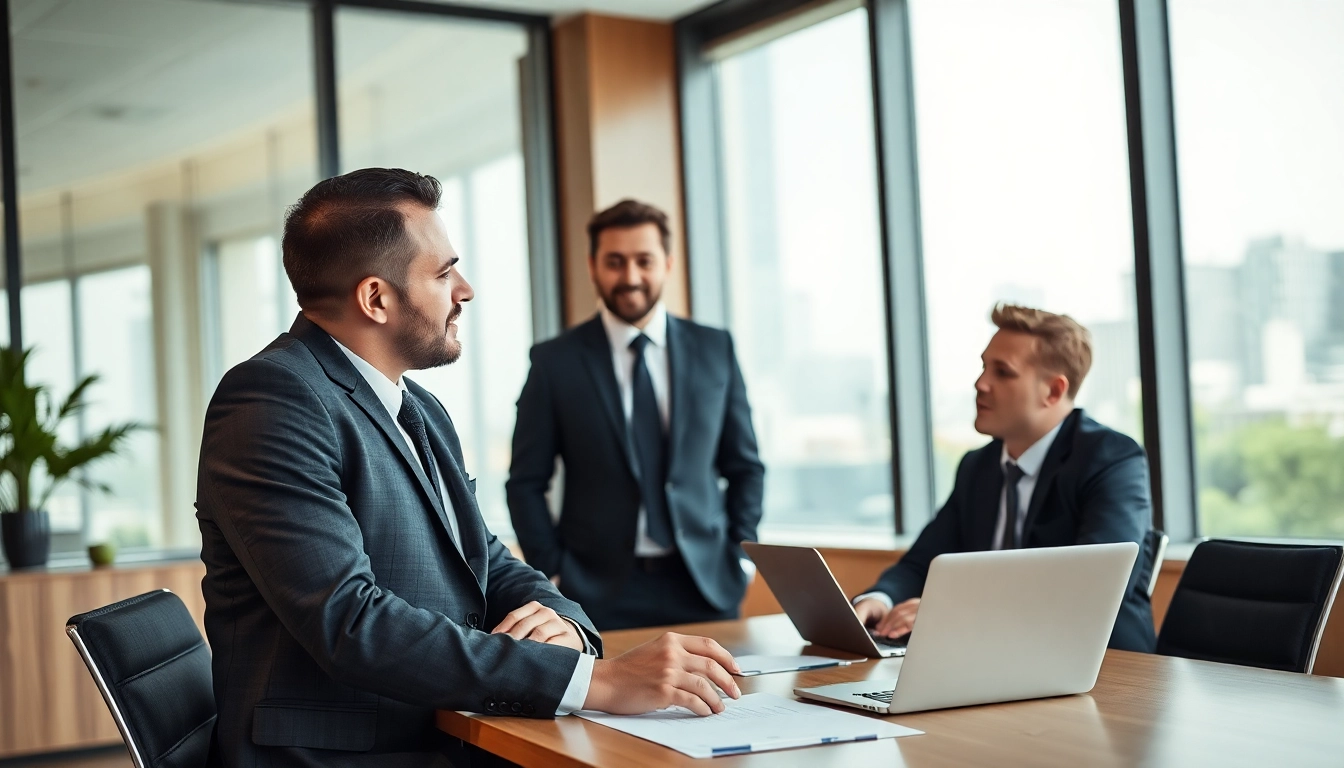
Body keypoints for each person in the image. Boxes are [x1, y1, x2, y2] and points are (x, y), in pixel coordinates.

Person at [197, 170, 742, 768]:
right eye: (443, 271)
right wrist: (598, 683)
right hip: (344, 755)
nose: (465, 289)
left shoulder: (419, 408)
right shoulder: (271, 400)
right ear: (376, 298)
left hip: (439, 727)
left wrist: (567, 629)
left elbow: (487, 558)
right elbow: (348, 620)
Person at [507, 199, 765, 631]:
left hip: (705, 584)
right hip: (595, 591)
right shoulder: (555, 361)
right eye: (615, 262)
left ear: (667, 263)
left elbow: (745, 466)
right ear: (593, 266)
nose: (630, 277)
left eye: (644, 261)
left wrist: (741, 556)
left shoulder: (715, 349)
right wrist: (551, 571)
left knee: (723, 701)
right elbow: (526, 481)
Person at [853, 304, 1157, 653]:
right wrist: (882, 597)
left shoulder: (1110, 459)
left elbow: (1094, 586)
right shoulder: (977, 467)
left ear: (1054, 391)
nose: (980, 384)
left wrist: (954, 611)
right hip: (991, 658)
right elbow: (922, 563)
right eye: (984, 367)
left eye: (1003, 372)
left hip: (1102, 667)